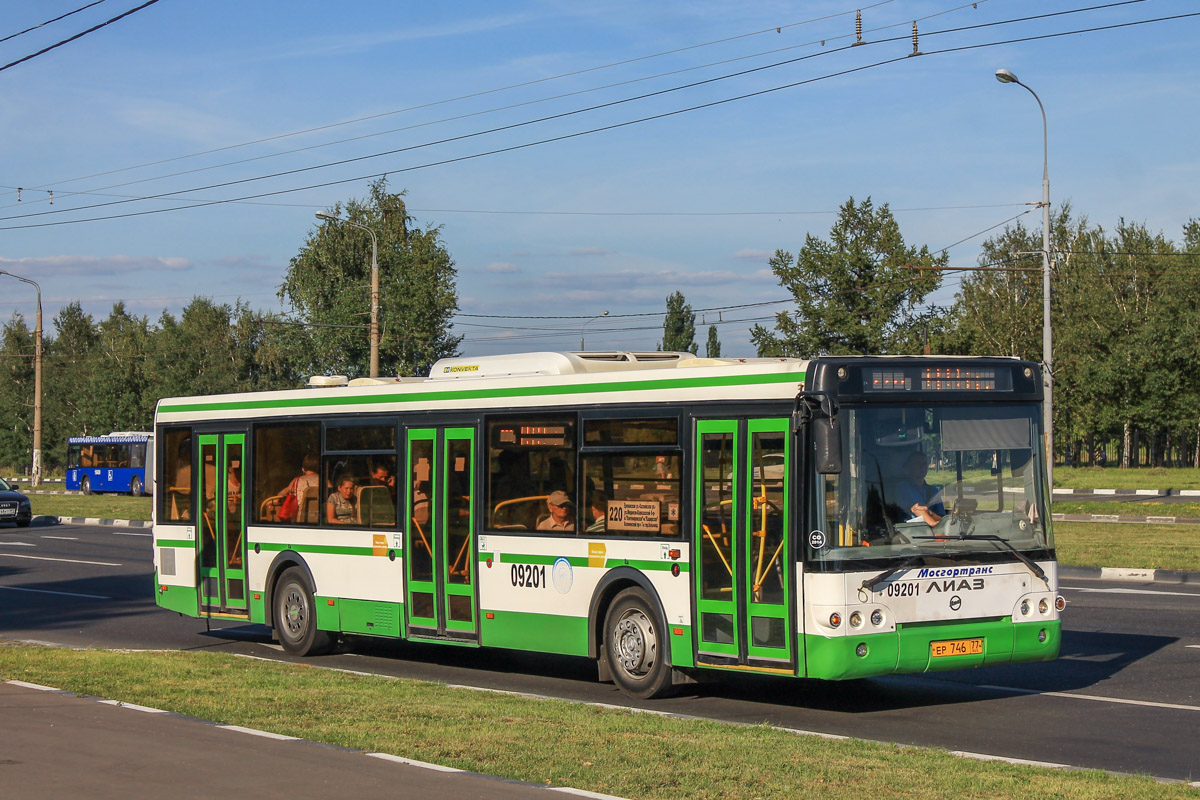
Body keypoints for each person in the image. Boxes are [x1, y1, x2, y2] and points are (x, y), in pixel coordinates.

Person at [894, 451, 945, 526]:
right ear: (909, 467)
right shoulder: (903, 487)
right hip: (911, 532)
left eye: (924, 464)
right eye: (917, 464)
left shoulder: (934, 490)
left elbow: (941, 518)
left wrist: (930, 513)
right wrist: (932, 522)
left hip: (935, 532)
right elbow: (917, 508)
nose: (922, 467)